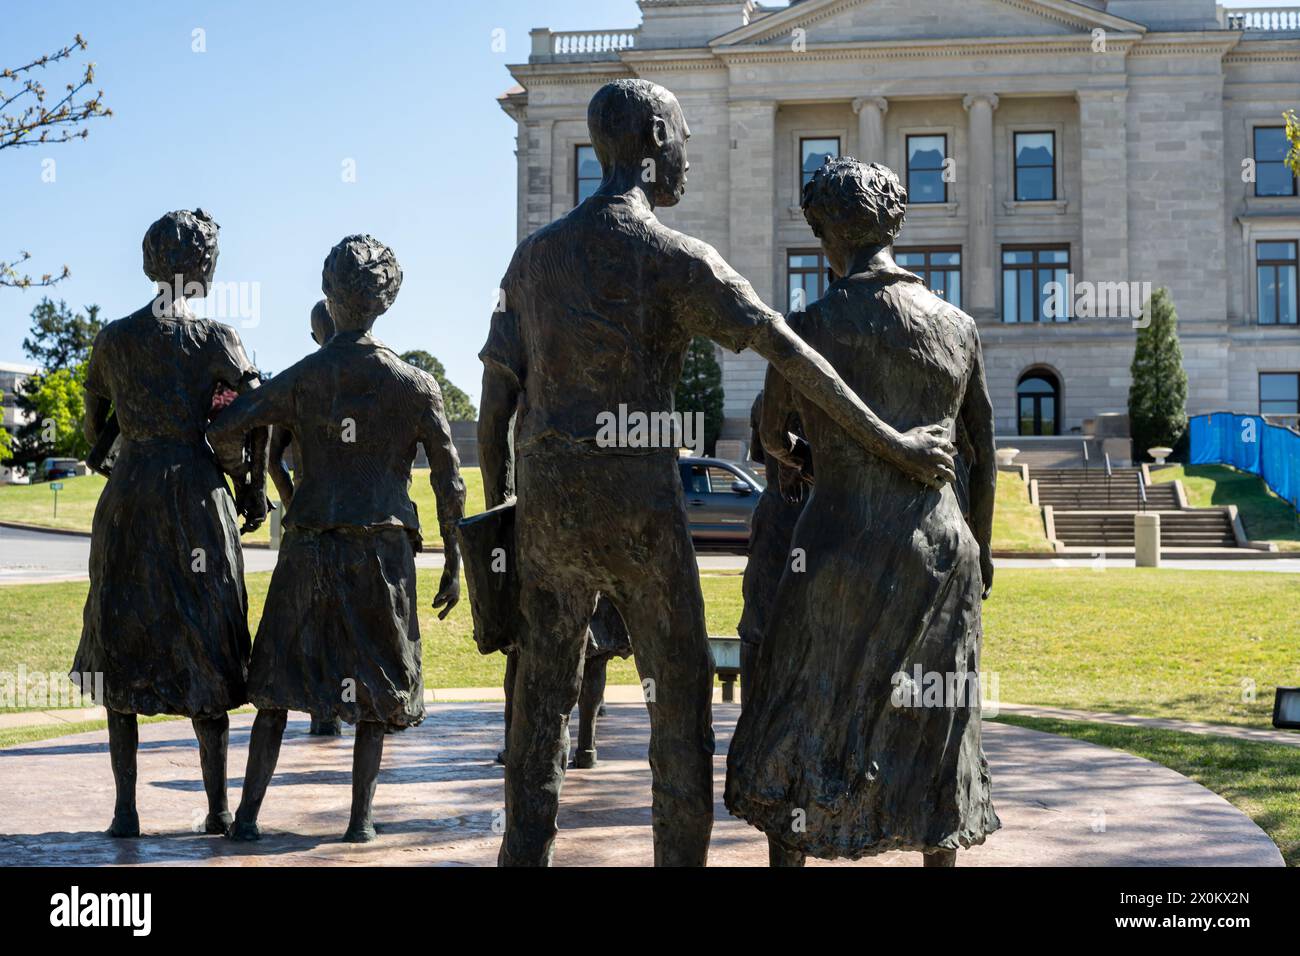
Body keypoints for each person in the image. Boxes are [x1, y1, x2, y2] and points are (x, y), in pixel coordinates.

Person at [477, 79, 956, 867]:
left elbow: (495, 409)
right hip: (637, 510)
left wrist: (496, 523)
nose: (689, 160)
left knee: (539, 701)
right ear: (656, 136)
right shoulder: (673, 257)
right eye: (685, 142)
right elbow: (794, 358)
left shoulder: (532, 258)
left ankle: (523, 854)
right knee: (679, 703)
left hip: (550, 512)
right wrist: (892, 444)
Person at [725, 158, 1001, 867]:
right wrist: (985, 549)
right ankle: (937, 851)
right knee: (937, 726)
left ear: (822, 233)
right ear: (896, 222)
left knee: (804, 706)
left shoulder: (808, 326)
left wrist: (803, 457)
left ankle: (793, 853)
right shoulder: (958, 326)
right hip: (943, 547)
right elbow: (982, 451)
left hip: (835, 544)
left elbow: (770, 434)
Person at [210, 235, 465, 843]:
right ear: (387, 301)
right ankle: (360, 821)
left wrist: (249, 487)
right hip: (381, 548)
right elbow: (450, 482)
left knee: (276, 682)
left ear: (329, 294)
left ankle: (246, 817)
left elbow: (226, 428)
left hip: (311, 543)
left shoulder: (302, 377)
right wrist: (455, 561)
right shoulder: (416, 384)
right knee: (376, 683)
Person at [72, 208, 268, 838]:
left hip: (130, 501)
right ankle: (214, 807)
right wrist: (251, 487)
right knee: (205, 641)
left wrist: (117, 460)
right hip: (194, 499)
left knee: (120, 646)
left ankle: (125, 808)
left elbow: (92, 433)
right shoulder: (216, 337)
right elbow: (254, 414)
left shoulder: (113, 339)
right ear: (203, 265)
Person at [265, 299, 342, 737]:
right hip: (360, 514)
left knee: (316, 617)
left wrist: (291, 501)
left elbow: (274, 461)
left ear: (314, 334)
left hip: (310, 513)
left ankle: (323, 712)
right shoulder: (369, 372)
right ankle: (374, 709)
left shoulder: (297, 380)